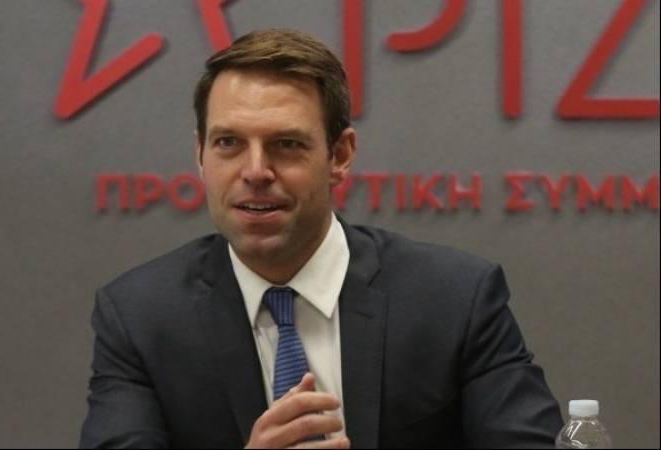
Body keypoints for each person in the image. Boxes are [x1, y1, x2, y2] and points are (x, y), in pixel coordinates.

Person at [79, 29, 563, 449]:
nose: (255, 171)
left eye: (286, 144)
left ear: (340, 155)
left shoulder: (455, 300)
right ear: (200, 154)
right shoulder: (140, 317)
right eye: (228, 143)